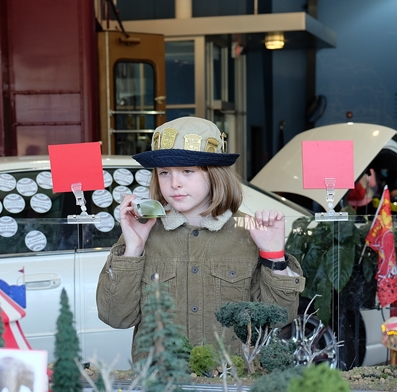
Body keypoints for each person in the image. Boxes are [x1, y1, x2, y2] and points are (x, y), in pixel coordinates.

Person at [96, 117, 305, 361]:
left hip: (230, 385)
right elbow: (115, 317)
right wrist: (133, 249)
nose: (174, 183)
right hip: (161, 388)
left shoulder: (249, 231)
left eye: (187, 171)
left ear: (215, 174)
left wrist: (274, 257)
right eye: (164, 173)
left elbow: (278, 318)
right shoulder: (143, 232)